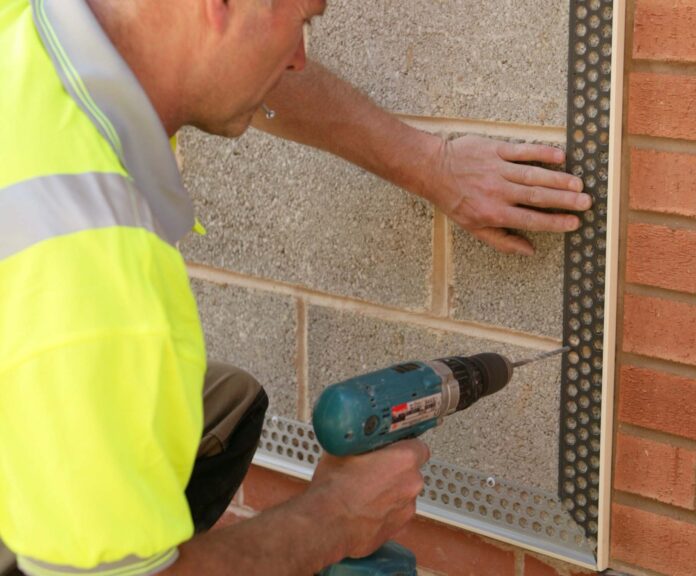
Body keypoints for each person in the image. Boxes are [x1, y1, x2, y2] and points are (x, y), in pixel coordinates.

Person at [0, 1, 589, 575]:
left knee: (224, 403)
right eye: (303, 19)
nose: (301, 59)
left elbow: (239, 64)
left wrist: (430, 164)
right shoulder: (89, 266)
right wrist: (336, 516)